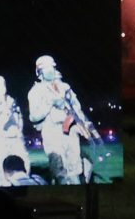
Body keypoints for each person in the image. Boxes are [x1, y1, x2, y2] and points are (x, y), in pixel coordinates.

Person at [26, 55, 90, 185]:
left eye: (52, 67)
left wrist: (82, 124)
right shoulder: (36, 91)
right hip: (52, 131)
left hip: (70, 130)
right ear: (40, 72)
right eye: (47, 68)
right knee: (59, 168)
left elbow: (77, 107)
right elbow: (34, 116)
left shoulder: (65, 87)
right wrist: (50, 103)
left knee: (75, 168)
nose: (50, 70)